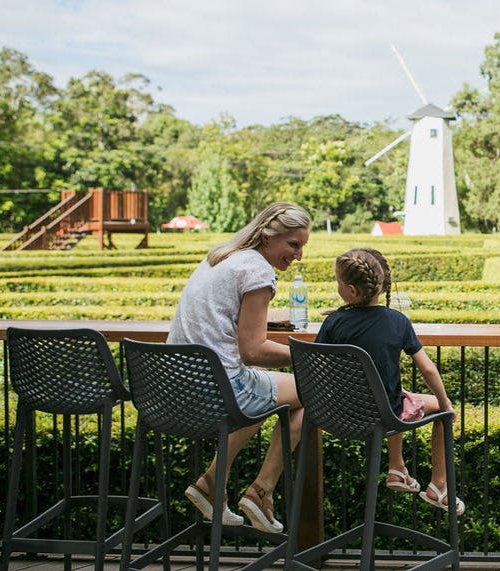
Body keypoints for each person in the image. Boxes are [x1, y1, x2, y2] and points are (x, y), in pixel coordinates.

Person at [167, 202, 311, 534]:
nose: (299, 255)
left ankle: (211, 483)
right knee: (310, 392)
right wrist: (309, 355)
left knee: (268, 390)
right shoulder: (258, 271)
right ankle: (260, 492)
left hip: (172, 388)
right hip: (218, 392)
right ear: (266, 236)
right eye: (293, 244)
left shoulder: (220, 257)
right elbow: (253, 350)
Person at [314, 247, 464, 514]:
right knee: (419, 403)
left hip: (338, 415)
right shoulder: (397, 321)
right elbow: (428, 369)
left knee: (393, 393)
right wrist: (446, 403)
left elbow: (319, 368)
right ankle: (439, 485)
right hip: (385, 415)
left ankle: (398, 468)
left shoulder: (333, 323)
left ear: (350, 290)